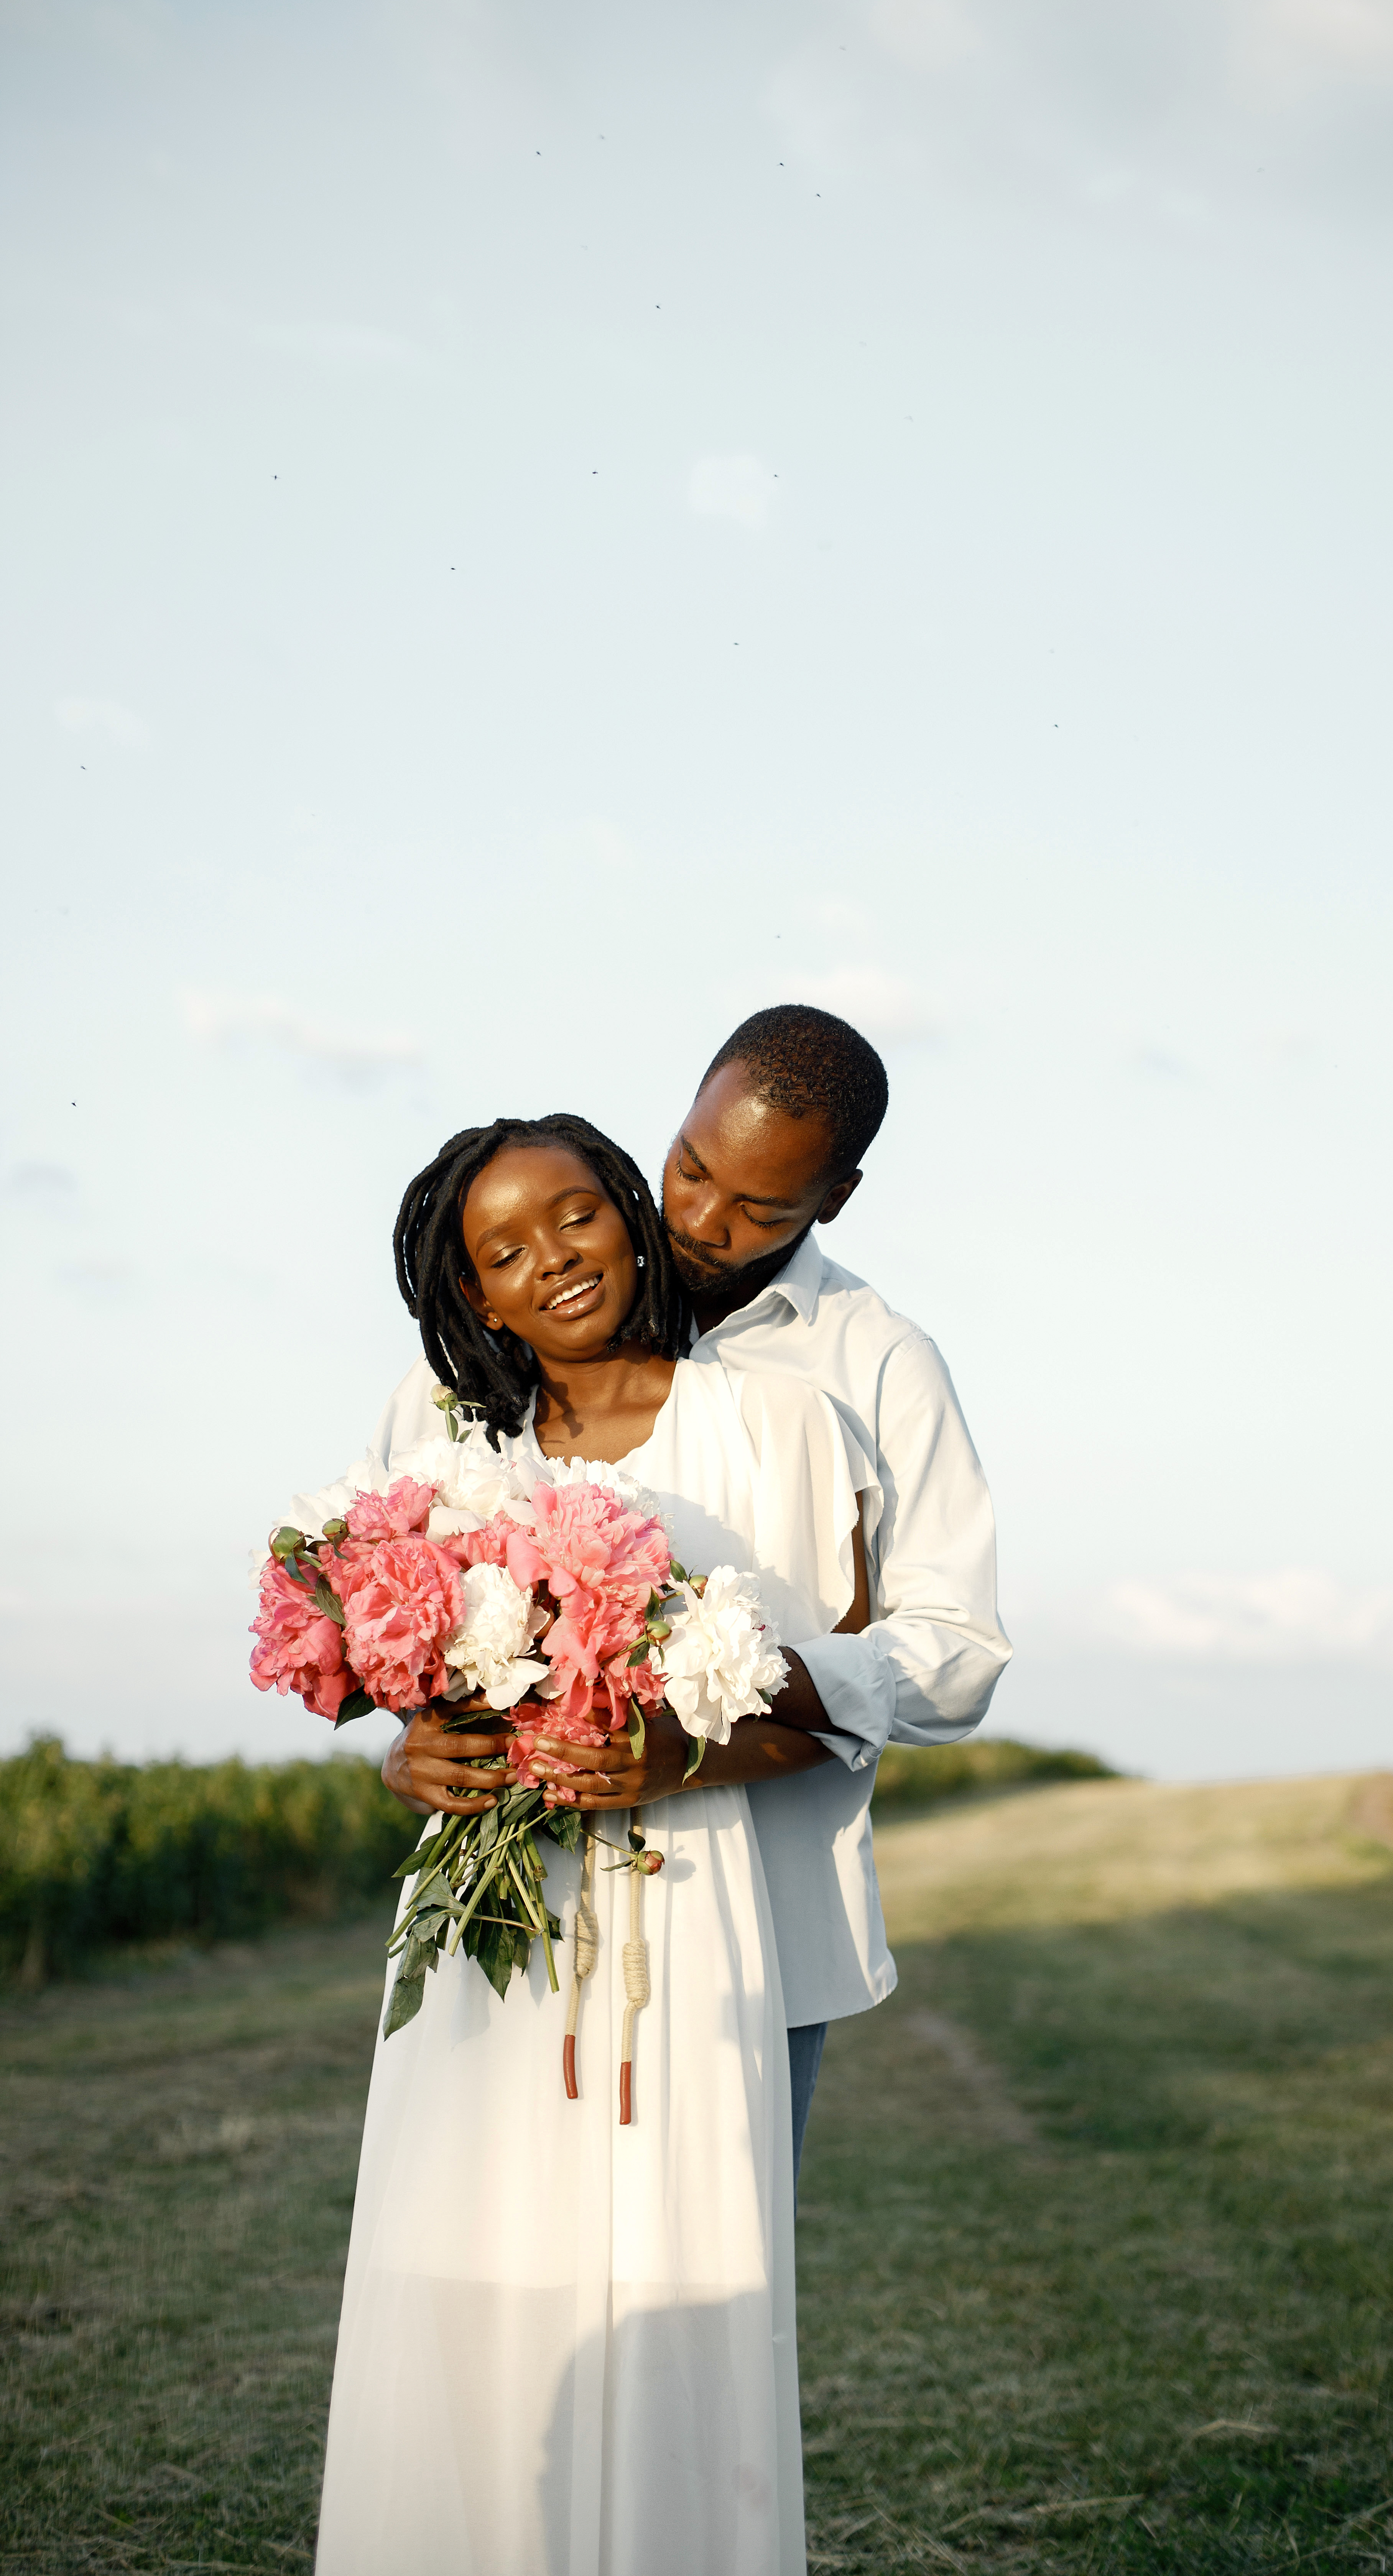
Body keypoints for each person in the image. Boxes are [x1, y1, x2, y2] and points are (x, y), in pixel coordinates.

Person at [316, 1114, 872, 2576]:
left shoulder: (775, 1423)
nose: (554, 1262)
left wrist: (667, 1756)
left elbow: (841, 1695)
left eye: (575, 1217)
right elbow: (399, 1673)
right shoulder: (437, 1434)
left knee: (679, 2264)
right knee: (475, 2267)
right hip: (493, 1919)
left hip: (692, 1900)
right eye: (504, 1251)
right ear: (471, 1294)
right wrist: (409, 1758)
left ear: (627, 1208)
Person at [381, 1006, 1011, 2182]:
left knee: (709, 2294)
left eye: (759, 1208)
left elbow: (958, 1651)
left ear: (839, 1197)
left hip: (764, 1921)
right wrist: (413, 1733)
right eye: (687, 1169)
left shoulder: (877, 1365)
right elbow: (410, 1580)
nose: (702, 1224)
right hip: (528, 1910)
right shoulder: (537, 1305)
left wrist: (731, 1697)